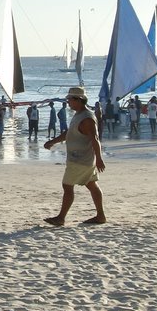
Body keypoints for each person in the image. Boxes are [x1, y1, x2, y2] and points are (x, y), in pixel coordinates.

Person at [43, 87, 106, 227]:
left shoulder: (87, 118)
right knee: (92, 185)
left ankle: (61, 218)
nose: (68, 102)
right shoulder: (79, 115)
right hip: (83, 160)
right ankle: (100, 215)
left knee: (67, 186)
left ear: (79, 100)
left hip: (80, 160)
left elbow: (95, 139)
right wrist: (53, 141)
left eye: (70, 99)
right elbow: (69, 133)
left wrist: (100, 159)